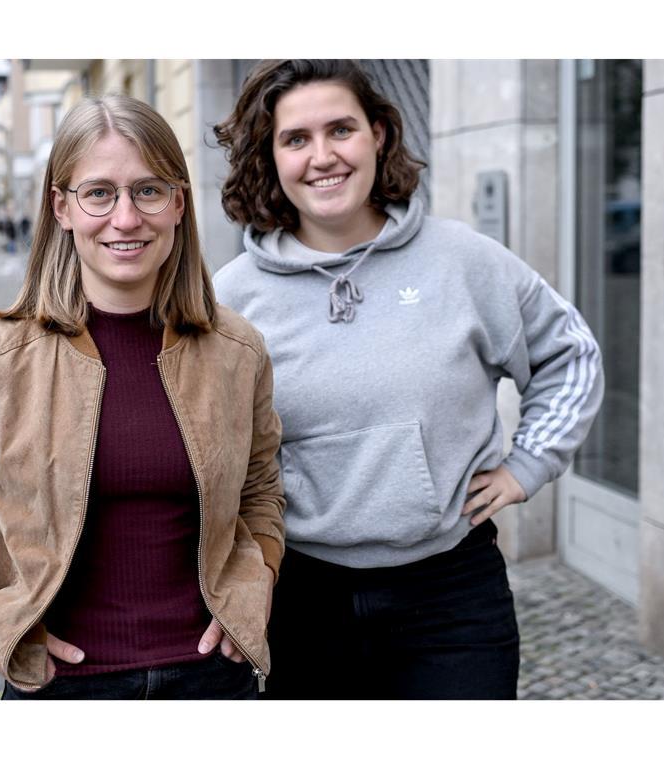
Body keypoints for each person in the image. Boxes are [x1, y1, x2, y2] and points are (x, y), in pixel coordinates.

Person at [212, 59, 604, 699]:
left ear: (379, 136)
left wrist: (528, 465)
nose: (323, 156)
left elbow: (572, 355)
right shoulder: (231, 299)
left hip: (451, 596)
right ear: (271, 157)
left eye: (341, 129)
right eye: (296, 139)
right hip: (301, 594)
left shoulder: (464, 261)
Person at [0, 94, 285, 700]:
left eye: (148, 190)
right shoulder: (1, 355)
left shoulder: (236, 350)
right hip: (63, 687)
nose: (125, 218)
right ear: (61, 207)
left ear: (178, 202)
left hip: (211, 681)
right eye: (99, 193)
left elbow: (260, 492)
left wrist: (259, 584)